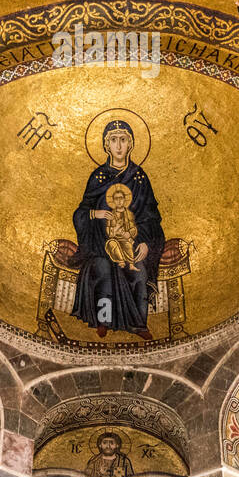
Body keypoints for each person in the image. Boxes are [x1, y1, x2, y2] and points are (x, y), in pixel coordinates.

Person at [70, 120, 165, 339]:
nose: (119, 146)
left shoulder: (140, 178)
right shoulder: (98, 177)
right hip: (100, 246)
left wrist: (145, 242)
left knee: (138, 273)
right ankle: (103, 321)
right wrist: (96, 214)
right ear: (106, 146)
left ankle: (140, 324)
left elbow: (151, 217)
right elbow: (80, 213)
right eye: (114, 140)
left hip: (131, 244)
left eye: (123, 140)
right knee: (102, 271)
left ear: (131, 144)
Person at [103, 185, 140, 271]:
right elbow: (109, 232)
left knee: (128, 246)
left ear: (124, 200)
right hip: (115, 238)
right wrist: (115, 230)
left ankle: (131, 264)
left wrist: (129, 233)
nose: (119, 201)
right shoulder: (111, 215)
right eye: (116, 198)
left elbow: (133, 227)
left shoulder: (129, 214)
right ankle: (121, 261)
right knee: (111, 244)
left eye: (121, 198)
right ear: (113, 201)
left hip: (125, 238)